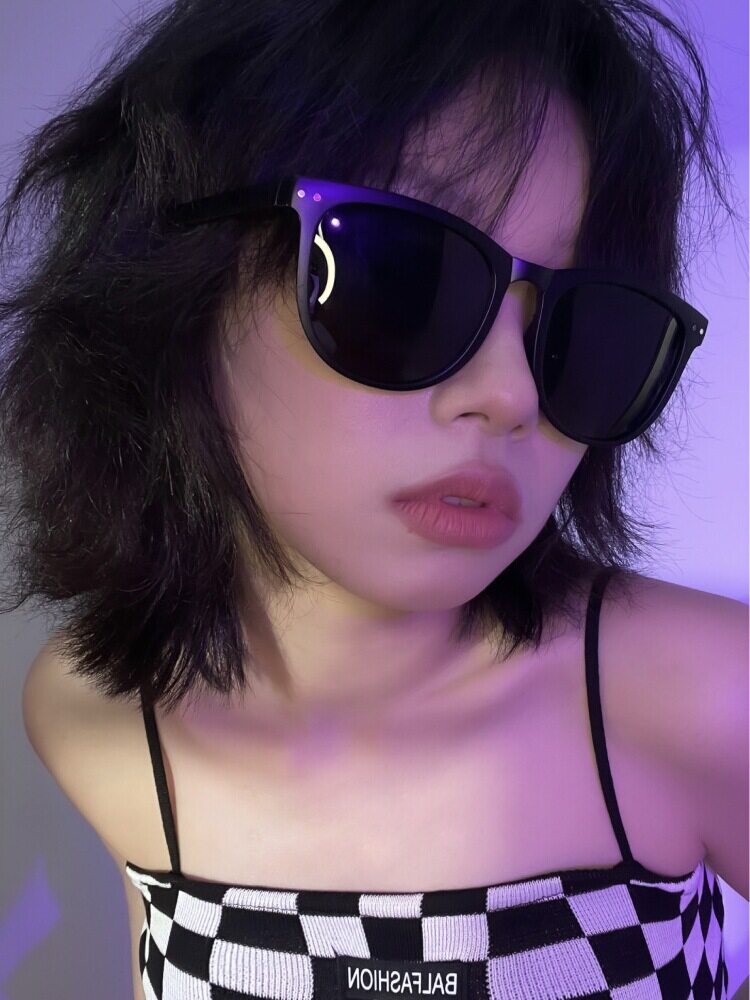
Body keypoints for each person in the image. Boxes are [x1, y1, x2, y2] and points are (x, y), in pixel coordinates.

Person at [3, 0, 747, 998]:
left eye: (586, 329)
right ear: (173, 292)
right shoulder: (94, 712)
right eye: (402, 275)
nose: (512, 395)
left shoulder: (705, 695)